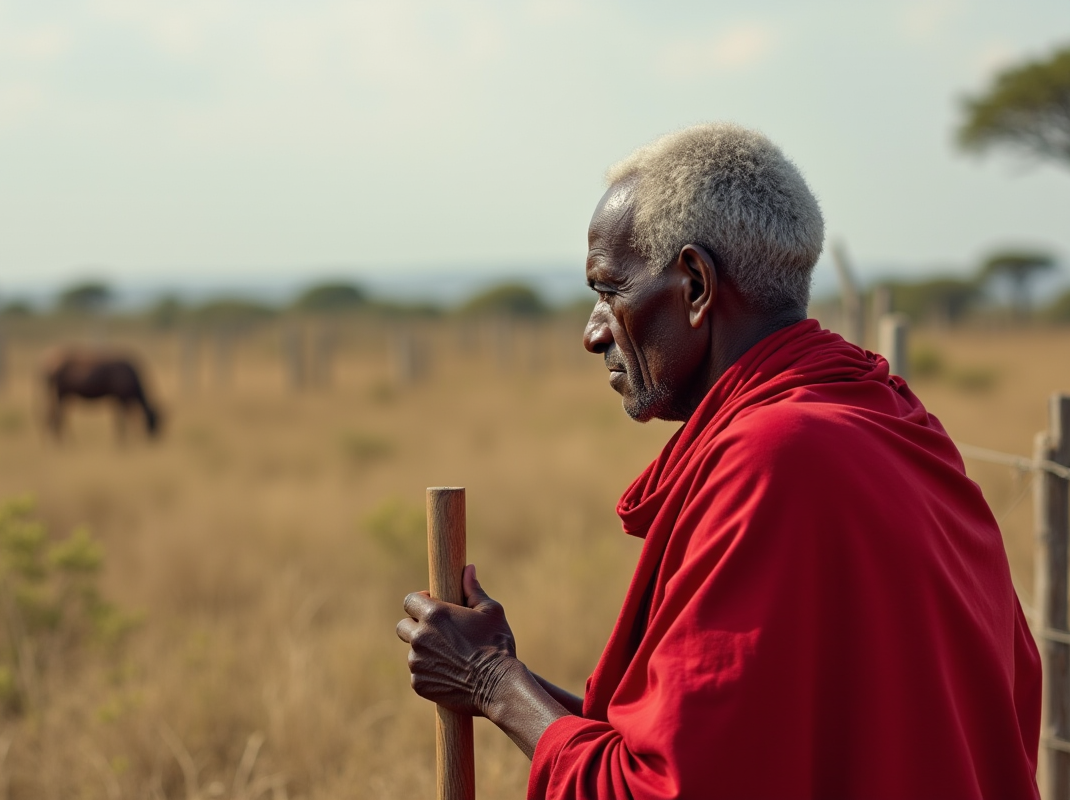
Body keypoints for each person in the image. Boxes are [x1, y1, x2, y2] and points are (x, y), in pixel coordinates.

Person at [396, 123, 1040, 799]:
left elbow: (667, 788)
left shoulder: (774, 460)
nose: (592, 332)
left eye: (609, 289)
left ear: (696, 284)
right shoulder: (894, 423)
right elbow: (746, 742)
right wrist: (499, 674)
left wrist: (495, 685)